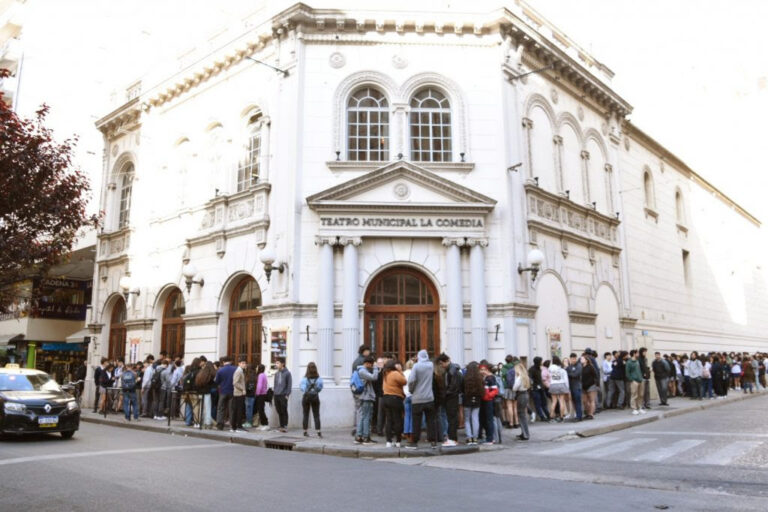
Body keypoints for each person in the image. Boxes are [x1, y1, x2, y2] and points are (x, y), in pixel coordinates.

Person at [407, 349, 437, 449]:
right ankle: (433, 441)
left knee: (416, 421)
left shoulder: (416, 366)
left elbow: (411, 380)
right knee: (431, 420)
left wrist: (411, 390)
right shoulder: (431, 365)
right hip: (429, 397)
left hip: (417, 398)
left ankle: (415, 441)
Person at [437, 353, 462, 446]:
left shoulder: (452, 371)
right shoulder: (450, 370)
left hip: (451, 398)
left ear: (447, 361)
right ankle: (452, 438)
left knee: (452, 419)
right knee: (451, 418)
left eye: (442, 363)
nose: (441, 365)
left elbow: (453, 387)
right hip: (451, 397)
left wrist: (445, 394)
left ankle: (452, 439)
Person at [381, 360, 406, 447]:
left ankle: (388, 441)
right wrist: (400, 371)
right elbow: (404, 381)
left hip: (385, 398)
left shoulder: (385, 374)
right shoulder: (395, 373)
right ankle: (398, 441)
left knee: (389, 420)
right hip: (395, 398)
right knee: (397, 420)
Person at [355, 355, 379, 445]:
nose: (372, 366)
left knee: (363, 416)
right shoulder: (363, 371)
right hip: (366, 397)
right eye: (371, 364)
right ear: (368, 363)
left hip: (363, 396)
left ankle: (359, 436)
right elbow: (374, 377)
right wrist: (376, 368)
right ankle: (366, 437)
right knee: (366, 417)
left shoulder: (361, 370)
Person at [351, 345, 371, 436]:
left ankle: (356, 427)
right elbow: (367, 375)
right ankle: (360, 429)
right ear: (364, 351)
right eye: (368, 350)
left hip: (355, 387)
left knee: (357, 408)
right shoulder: (363, 361)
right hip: (361, 388)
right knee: (362, 410)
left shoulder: (355, 361)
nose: (369, 352)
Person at [300, 362, 323, 437]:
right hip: (315, 397)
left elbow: (302, 388)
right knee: (316, 415)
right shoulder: (318, 379)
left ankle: (305, 431)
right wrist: (315, 390)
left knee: (305, 414)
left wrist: (307, 390)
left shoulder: (304, 379)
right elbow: (320, 388)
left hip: (306, 397)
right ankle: (318, 431)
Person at [462, 362, 483, 445]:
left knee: (467, 419)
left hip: (467, 400)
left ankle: (469, 437)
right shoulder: (480, 378)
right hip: (477, 400)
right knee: (475, 418)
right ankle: (475, 437)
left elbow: (462, 389)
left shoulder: (465, 378)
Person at [478, 362, 499, 444]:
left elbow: (495, 390)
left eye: (484, 370)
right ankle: (489, 437)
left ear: (487, 370)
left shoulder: (490, 378)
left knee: (489, 420)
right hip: (484, 401)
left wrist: (488, 396)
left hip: (488, 401)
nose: (482, 371)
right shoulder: (485, 378)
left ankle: (490, 439)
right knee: (485, 420)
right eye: (481, 370)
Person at [214, 357, 236, 430]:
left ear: (223, 362)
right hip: (232, 391)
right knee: (231, 409)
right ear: (231, 361)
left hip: (223, 391)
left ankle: (220, 425)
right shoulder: (235, 369)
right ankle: (232, 425)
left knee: (220, 408)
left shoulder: (220, 370)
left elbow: (216, 381)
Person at [195, 359, 216, 428]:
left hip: (200, 393)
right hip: (207, 393)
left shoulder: (201, 373)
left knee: (201, 408)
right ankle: (207, 422)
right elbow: (213, 384)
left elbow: (197, 383)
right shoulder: (210, 375)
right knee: (208, 408)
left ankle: (201, 421)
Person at [273, 357, 292, 432]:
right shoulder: (276, 373)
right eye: (276, 363)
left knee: (284, 410)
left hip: (283, 395)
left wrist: (287, 395)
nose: (276, 364)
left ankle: (285, 425)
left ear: (282, 364)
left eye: (278, 363)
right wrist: (274, 392)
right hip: (276, 395)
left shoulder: (287, 373)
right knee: (279, 410)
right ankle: (281, 425)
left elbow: (289, 385)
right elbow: (275, 384)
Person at [528, 357, 550, 422]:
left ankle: (548, 415)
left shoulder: (539, 368)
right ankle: (542, 417)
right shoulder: (532, 369)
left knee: (544, 402)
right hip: (535, 389)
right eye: (541, 361)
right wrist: (532, 385)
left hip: (541, 388)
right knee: (538, 403)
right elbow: (530, 379)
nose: (542, 362)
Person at [230, 357, 247, 433]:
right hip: (238, 394)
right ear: (239, 364)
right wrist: (243, 389)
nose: (244, 364)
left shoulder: (241, 371)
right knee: (238, 410)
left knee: (237, 410)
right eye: (242, 363)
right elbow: (235, 382)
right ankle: (237, 426)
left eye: (245, 363)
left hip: (238, 394)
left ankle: (235, 426)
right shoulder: (238, 371)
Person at [565, 353, 583, 422]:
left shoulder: (579, 366)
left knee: (578, 402)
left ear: (576, 358)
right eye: (572, 359)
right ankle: (577, 415)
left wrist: (568, 372)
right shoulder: (569, 366)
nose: (573, 360)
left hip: (577, 387)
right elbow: (567, 373)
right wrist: (569, 372)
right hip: (571, 387)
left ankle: (579, 416)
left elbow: (575, 375)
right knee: (574, 402)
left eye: (574, 359)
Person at [626, 350, 644, 414]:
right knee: (634, 395)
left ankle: (639, 408)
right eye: (637, 353)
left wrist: (641, 378)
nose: (638, 354)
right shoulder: (629, 362)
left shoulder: (637, 361)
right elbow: (627, 373)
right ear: (634, 354)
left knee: (640, 395)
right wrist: (632, 380)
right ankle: (634, 408)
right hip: (634, 381)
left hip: (640, 380)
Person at [580, 355, 599, 420]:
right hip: (583, 386)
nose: (581, 360)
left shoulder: (590, 367)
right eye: (580, 359)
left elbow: (595, 375)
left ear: (586, 360)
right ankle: (588, 413)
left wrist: (596, 384)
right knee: (584, 401)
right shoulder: (581, 367)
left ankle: (591, 414)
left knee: (591, 400)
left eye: (582, 359)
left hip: (591, 385)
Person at [254, 364, 269, 430]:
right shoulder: (264, 375)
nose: (256, 368)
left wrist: (257, 393)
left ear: (259, 368)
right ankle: (263, 424)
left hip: (260, 394)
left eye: (257, 367)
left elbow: (259, 386)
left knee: (260, 410)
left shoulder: (260, 375)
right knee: (261, 409)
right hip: (263, 394)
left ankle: (265, 424)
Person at [243, 364, 257, 428]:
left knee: (248, 410)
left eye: (246, 367)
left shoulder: (250, 376)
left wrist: (244, 389)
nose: (245, 368)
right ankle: (248, 422)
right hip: (251, 395)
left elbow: (250, 387)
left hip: (249, 395)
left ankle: (249, 422)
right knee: (249, 409)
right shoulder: (254, 375)